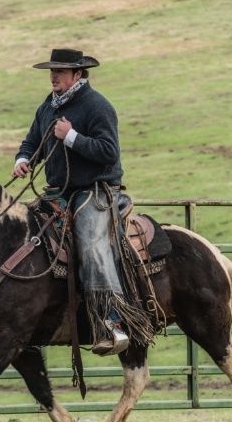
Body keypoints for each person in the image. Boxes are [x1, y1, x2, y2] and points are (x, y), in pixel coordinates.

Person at [13, 48, 153, 356]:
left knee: (91, 244)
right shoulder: (47, 107)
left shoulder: (97, 106)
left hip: (96, 191)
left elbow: (108, 152)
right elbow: (32, 140)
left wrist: (71, 136)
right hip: (58, 193)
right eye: (52, 71)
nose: (53, 76)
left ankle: (113, 323)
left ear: (78, 74)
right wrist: (24, 159)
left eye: (60, 71)